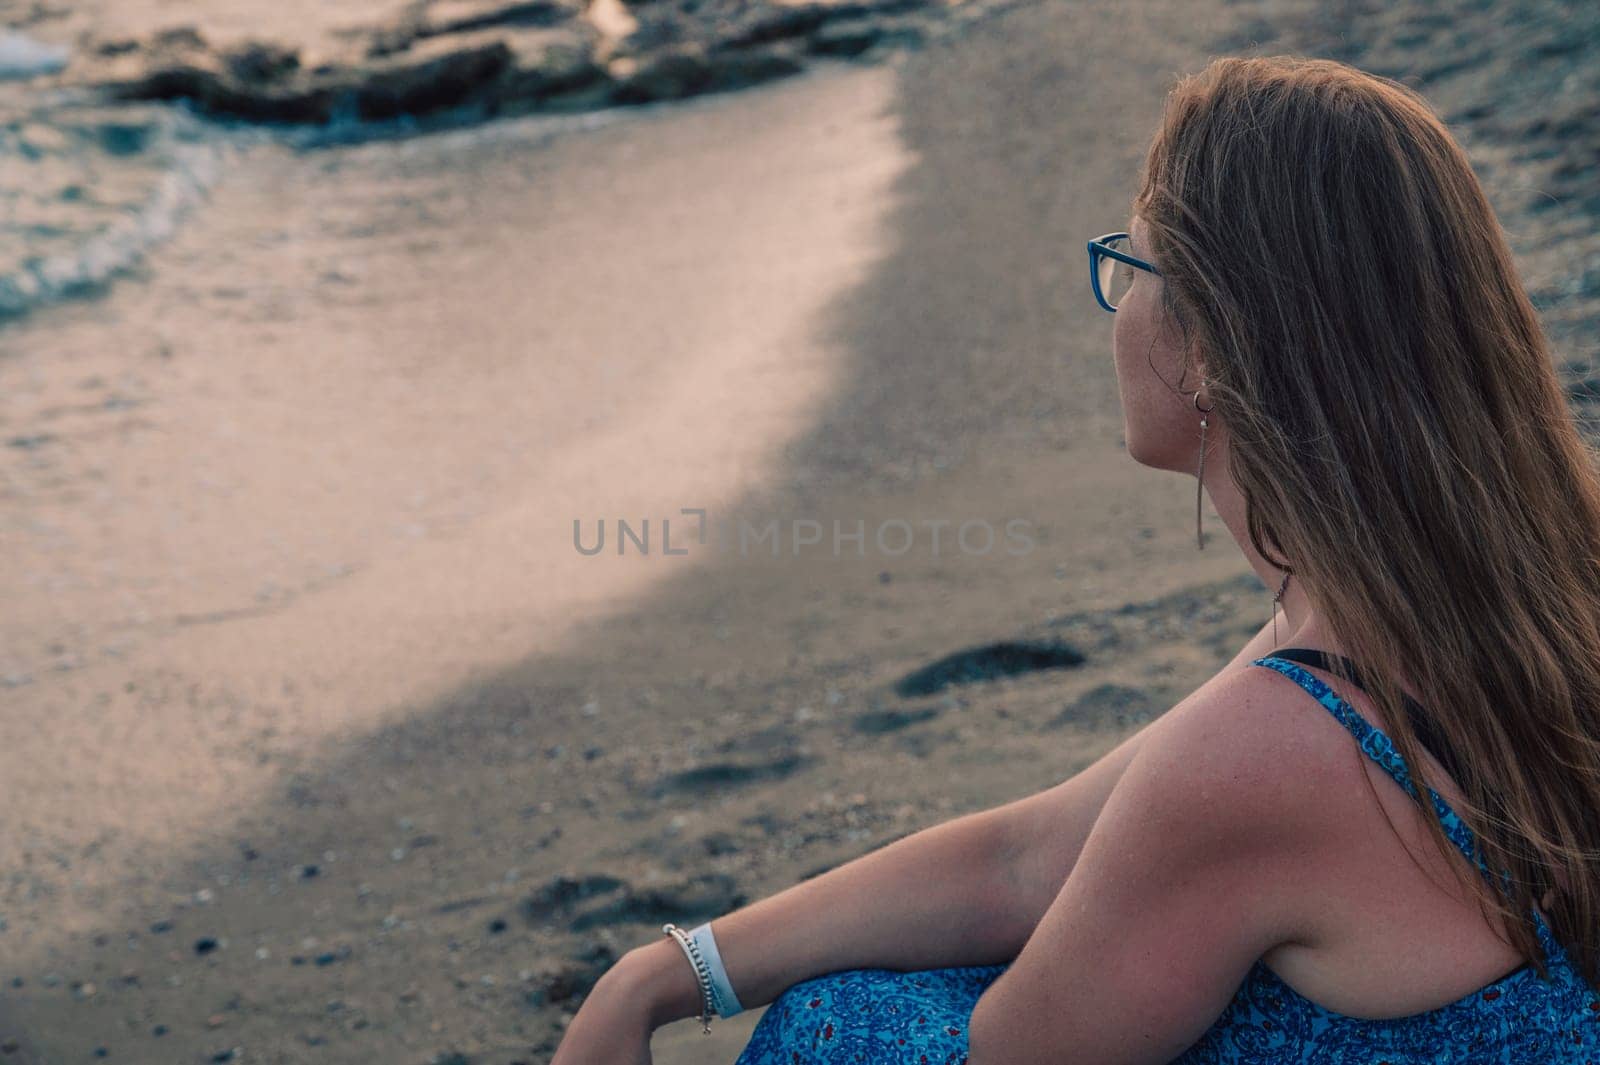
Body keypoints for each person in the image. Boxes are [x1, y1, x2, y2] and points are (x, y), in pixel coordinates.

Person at [549, 54, 1600, 1064]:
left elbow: (1014, 1046)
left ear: (1210, 349)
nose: (1117, 303)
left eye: (1129, 264)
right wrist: (671, 973)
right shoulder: (1499, 592)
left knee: (832, 1028)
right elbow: (1033, 855)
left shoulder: (1285, 741)